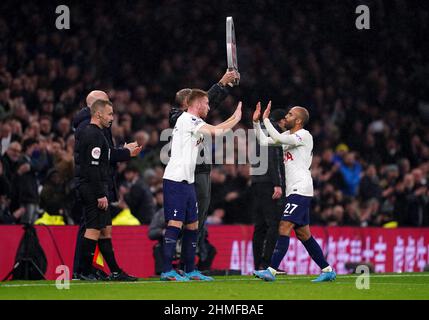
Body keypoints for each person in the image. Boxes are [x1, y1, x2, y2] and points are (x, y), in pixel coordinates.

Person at [161, 89, 242, 281]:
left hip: (188, 180)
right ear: (196, 104)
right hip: (175, 179)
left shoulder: (195, 123)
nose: (208, 106)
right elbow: (217, 131)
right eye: (206, 103)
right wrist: (236, 117)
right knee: (175, 223)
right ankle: (167, 270)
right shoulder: (187, 118)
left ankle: (190, 269)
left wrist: (232, 119)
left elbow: (214, 131)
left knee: (193, 225)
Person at [252, 101, 336, 282]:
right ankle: (327, 270)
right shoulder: (287, 136)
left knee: (284, 226)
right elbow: (264, 140)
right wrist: (256, 123)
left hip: (301, 188)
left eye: (290, 115)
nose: (286, 117)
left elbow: (279, 139)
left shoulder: (304, 136)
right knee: (304, 234)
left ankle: (271, 270)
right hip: (294, 190)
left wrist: (266, 120)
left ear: (298, 121)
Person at [74, 98, 140, 281]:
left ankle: (116, 271)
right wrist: (100, 194)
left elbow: (105, 156)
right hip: (92, 188)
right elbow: (91, 167)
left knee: (105, 230)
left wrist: (125, 152)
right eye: (109, 114)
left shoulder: (97, 133)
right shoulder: (92, 134)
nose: (112, 118)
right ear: (98, 113)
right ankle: (83, 271)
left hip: (97, 185)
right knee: (93, 228)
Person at [251, 108, 286, 270]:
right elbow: (273, 159)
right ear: (282, 121)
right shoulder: (274, 133)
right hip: (269, 183)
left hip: (257, 182)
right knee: (273, 224)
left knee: (260, 226)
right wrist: (278, 183)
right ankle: (267, 263)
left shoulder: (261, 132)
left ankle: (258, 264)